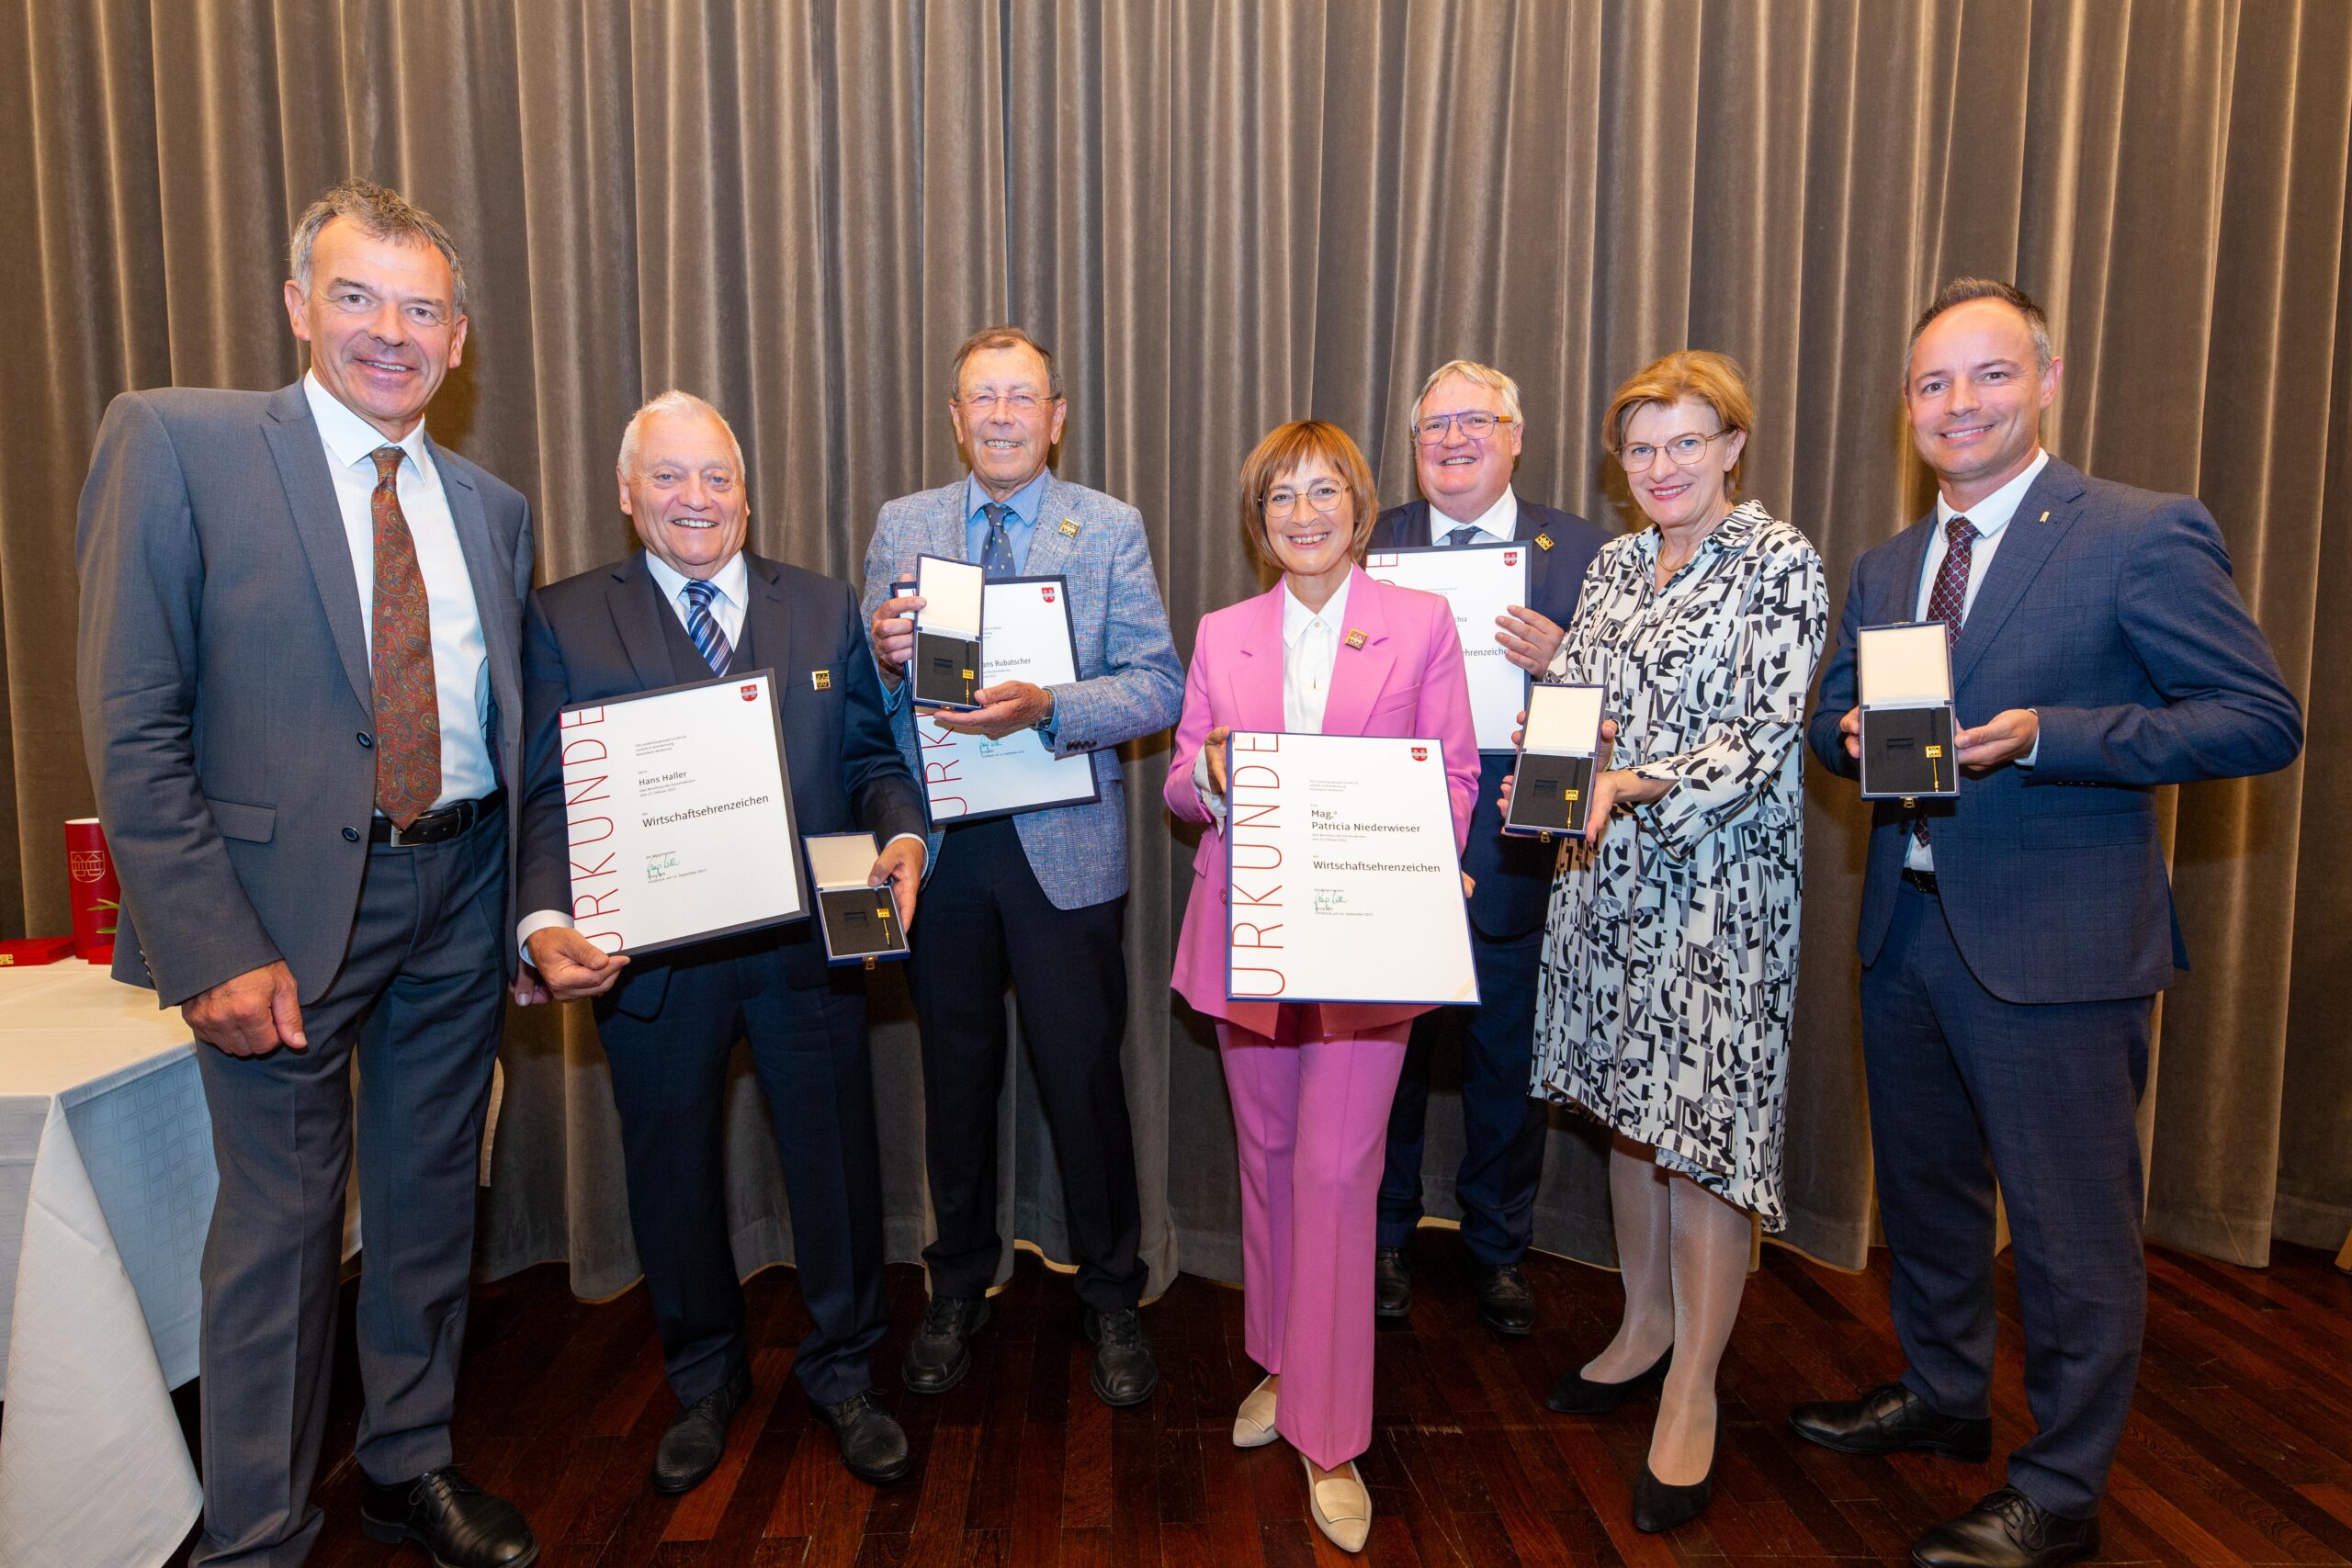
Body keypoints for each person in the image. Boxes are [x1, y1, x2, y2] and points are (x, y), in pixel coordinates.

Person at [1794, 279, 2301, 1568]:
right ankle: (1944, 1392)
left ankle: (2063, 1489)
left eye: (1988, 375)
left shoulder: (2139, 533)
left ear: (2047, 379)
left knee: (2073, 1238)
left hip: (2058, 950)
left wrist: (2049, 736)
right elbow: (1835, 711)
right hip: (1906, 934)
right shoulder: (1890, 560)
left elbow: (2257, 716)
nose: (1959, 404)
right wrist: (1842, 734)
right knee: (1929, 1198)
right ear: (1907, 405)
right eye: (1932, 384)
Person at [75, 178, 536, 1568]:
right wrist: (207, 942)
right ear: (296, 306)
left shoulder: (493, 506)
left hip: (458, 895)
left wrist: (530, 907)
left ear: (458, 340)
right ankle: (257, 1533)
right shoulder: (178, 445)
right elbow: (132, 723)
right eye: (356, 297)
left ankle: (407, 1458)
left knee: (425, 1196)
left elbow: (507, 724)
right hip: (271, 921)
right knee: (277, 1234)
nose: (388, 333)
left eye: (419, 307)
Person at [514, 391, 929, 1489]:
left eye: (715, 478)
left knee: (837, 1169)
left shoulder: (824, 604)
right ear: (625, 493)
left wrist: (904, 840)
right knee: (670, 1176)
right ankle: (703, 1379)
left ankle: (845, 1372)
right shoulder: (560, 618)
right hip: (648, 966)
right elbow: (552, 799)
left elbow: (873, 761)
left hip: (808, 947)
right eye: (667, 476)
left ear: (746, 493)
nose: (694, 499)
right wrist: (547, 917)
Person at [1520, 351, 1825, 1535]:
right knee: (1627, 1109)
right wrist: (1546, 768)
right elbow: (1579, 706)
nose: (1661, 467)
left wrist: (1630, 783)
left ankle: (1694, 1381)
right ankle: (1641, 1326)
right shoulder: (1610, 563)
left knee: (1699, 1134)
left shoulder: (1778, 559)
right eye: (1641, 449)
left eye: (1685, 443)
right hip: (1603, 876)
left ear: (1732, 447)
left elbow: (1763, 738)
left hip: (1716, 884)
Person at [1167, 421, 1481, 1553]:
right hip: (1249, 936)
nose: (1303, 514)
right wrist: (1202, 773)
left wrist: (1403, 859)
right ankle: (1285, 1365)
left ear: (1358, 507)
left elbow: (1452, 774)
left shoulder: (1421, 622)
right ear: (1259, 522)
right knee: (1266, 1163)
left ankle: (1333, 1433)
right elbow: (1180, 782)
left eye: (1324, 493)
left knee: (1341, 1174)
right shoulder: (1223, 631)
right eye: (1279, 498)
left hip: (1365, 939)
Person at [860, 326, 1183, 1407]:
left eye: (1021, 398)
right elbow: (867, 701)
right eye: (979, 398)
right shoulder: (902, 525)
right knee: (952, 1084)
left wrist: (1051, 706)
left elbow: (1158, 688)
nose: (1000, 415)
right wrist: (879, 651)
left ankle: (1110, 1298)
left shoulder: (1108, 528)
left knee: (1083, 1082)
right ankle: (955, 1285)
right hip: (940, 852)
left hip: (1063, 851)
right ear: (955, 418)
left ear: (1054, 417)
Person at [1370, 358, 1609, 1337]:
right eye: (1433, 428)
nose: (1453, 441)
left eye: (1474, 422)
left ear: (1515, 434)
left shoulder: (1587, 550)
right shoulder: (1370, 538)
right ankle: (1381, 1236)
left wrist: (1568, 660)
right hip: (1388, 827)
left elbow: (1628, 703)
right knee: (1384, 1051)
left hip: (1516, 835)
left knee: (1506, 1056)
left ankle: (1497, 1246)